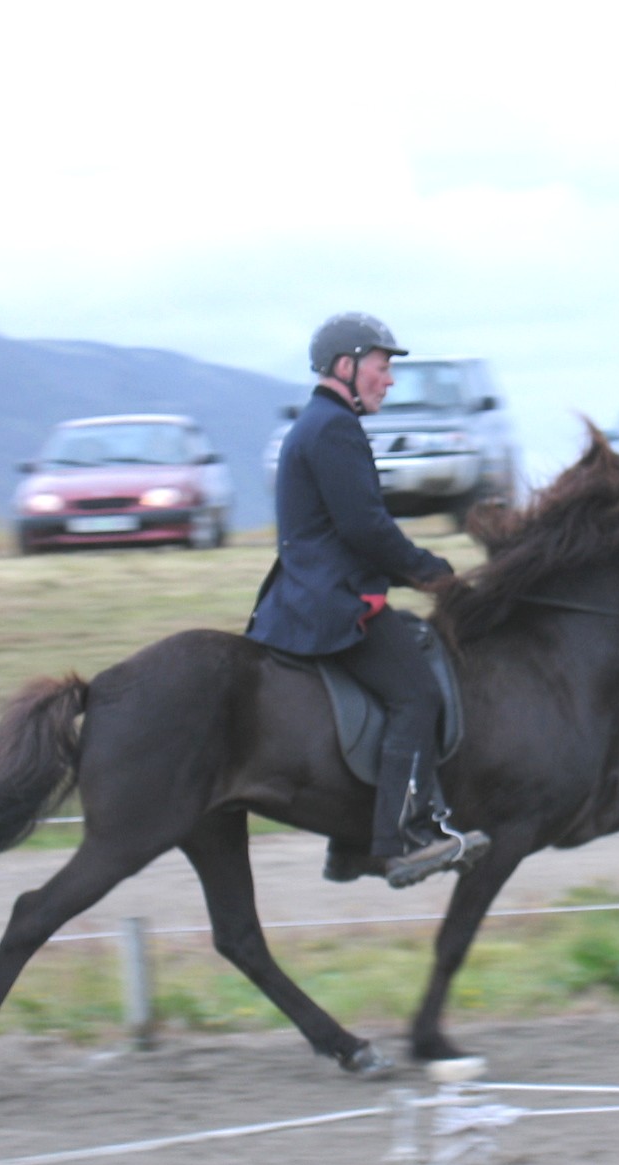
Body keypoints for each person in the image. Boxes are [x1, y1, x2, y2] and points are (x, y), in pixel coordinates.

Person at [247, 312, 489, 888]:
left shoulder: (319, 424)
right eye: (382, 367)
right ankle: (401, 840)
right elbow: (365, 529)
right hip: (332, 602)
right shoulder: (334, 429)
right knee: (417, 696)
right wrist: (432, 574)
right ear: (346, 366)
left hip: (313, 592)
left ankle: (349, 844)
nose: (390, 380)